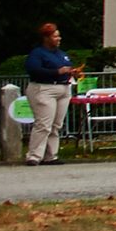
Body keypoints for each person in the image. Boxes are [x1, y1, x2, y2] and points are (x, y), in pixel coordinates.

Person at [23, 23, 78, 166]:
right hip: (45, 89)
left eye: (58, 36)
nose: (59, 39)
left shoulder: (61, 54)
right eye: (55, 36)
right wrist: (56, 72)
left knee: (56, 125)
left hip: (64, 88)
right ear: (46, 38)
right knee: (43, 124)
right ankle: (34, 155)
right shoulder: (37, 53)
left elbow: (66, 68)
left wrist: (72, 72)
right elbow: (33, 70)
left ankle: (51, 155)